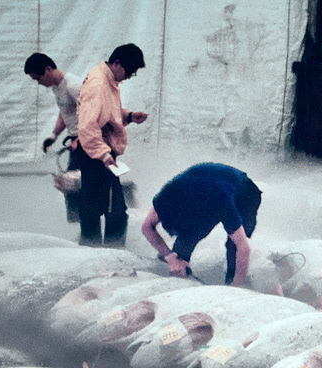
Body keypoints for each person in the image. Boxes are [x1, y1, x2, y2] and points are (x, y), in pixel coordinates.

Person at [73, 44, 149, 247]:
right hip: (96, 154)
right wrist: (104, 156)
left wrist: (129, 116)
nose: (129, 77)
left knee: (100, 207)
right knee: (112, 211)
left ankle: (94, 247)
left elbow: (107, 115)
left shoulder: (108, 81)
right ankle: (101, 251)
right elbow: (87, 126)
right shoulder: (98, 84)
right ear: (117, 63)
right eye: (129, 72)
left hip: (100, 152)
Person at [141, 163, 262, 287]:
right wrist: (170, 257)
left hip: (246, 193)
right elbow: (147, 227)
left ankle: (234, 282)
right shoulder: (167, 197)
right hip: (203, 190)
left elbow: (244, 248)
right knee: (182, 248)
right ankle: (179, 275)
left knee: (233, 246)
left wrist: (236, 287)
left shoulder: (219, 200)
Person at [24, 52, 82, 221]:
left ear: (48, 69)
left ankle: (87, 225)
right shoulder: (57, 87)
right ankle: (78, 223)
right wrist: (54, 135)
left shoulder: (73, 85)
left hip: (88, 140)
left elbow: (93, 114)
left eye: (38, 79)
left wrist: (81, 139)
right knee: (68, 184)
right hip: (75, 141)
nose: (39, 84)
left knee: (73, 183)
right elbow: (65, 111)